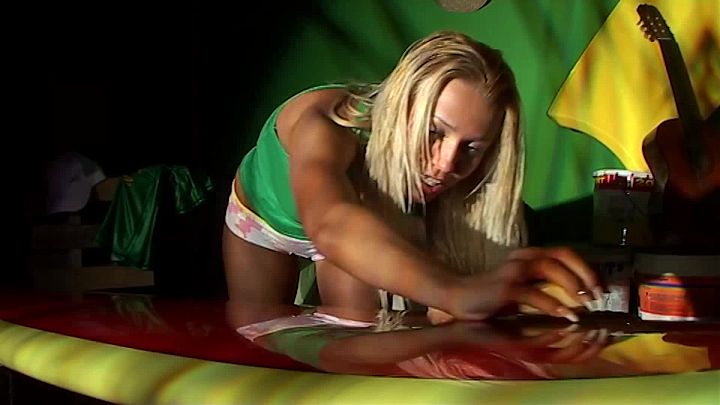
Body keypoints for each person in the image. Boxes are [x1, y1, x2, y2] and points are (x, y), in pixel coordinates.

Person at [222, 30, 601, 323]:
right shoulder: (326, 123)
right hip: (264, 222)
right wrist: (457, 291)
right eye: (434, 132)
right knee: (256, 334)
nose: (445, 165)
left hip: (356, 225)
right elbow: (330, 223)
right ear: (403, 107)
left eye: (471, 148)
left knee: (354, 338)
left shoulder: (440, 184)